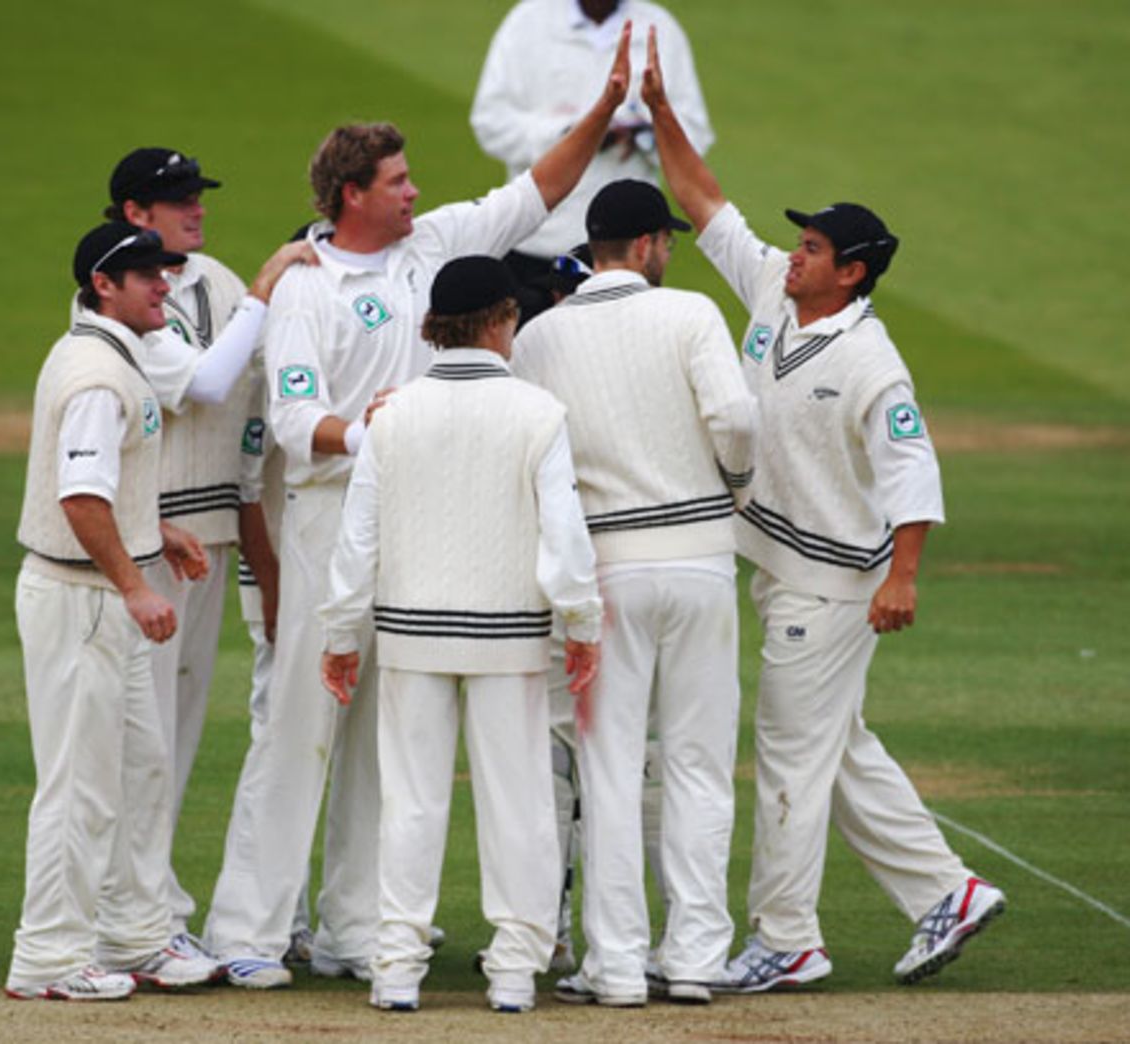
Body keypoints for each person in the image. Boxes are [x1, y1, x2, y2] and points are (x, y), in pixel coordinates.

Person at [203, 25, 635, 990]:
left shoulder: (431, 244)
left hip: (415, 520)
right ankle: (246, 929)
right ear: (351, 194)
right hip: (329, 513)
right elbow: (296, 418)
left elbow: (538, 192)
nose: (416, 192)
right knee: (305, 719)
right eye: (398, 181)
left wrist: (602, 113)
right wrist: (378, 440)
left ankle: (354, 929)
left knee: (380, 727)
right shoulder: (308, 286)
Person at [640, 32, 1006, 991]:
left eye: (812, 248)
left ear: (852, 273)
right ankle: (948, 893)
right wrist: (661, 113)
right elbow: (702, 201)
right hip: (782, 564)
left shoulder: (870, 362)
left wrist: (905, 575)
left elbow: (912, 467)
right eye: (797, 243)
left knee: (793, 756)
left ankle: (787, 937)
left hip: (837, 582)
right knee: (836, 746)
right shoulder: (771, 287)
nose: (792, 255)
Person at [319, 255, 603, 1014]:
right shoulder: (538, 412)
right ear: (504, 320)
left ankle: (397, 969)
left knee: (410, 803)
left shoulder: (393, 414)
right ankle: (513, 973)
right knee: (518, 804)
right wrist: (581, 621)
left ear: (433, 327)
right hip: (508, 639)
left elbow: (358, 541)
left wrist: (343, 636)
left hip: (412, 637)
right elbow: (565, 536)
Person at [514, 179, 757, 1006]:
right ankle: (693, 959)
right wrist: (734, 486)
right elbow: (735, 418)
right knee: (697, 764)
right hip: (700, 563)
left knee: (609, 769)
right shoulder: (691, 314)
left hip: (603, 569)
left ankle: (615, 966)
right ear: (649, 244)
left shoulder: (540, 336)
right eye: (668, 242)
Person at [101, 147, 313, 957]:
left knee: (178, 735)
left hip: (210, 540)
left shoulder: (216, 279)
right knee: (142, 739)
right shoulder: (117, 296)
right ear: (133, 214)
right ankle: (132, 919)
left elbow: (256, 405)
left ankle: (153, 912)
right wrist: (265, 294)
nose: (195, 207)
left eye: (196, 194)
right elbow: (206, 385)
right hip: (150, 544)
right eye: (176, 198)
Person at [5, 223, 220, 1000]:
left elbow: (100, 489)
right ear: (105, 286)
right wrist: (135, 581)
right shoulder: (97, 376)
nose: (165, 285)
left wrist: (153, 530)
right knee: (79, 784)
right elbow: (80, 497)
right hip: (84, 602)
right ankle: (50, 959)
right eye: (146, 276)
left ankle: (134, 934)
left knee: (141, 768)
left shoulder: (107, 358)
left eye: (164, 272)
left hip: (99, 596)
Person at [471, 0, 712, 323]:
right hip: (536, 243)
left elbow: (695, 133)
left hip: (623, 253)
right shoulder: (527, 22)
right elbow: (490, 122)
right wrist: (575, 135)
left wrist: (643, 133)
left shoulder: (660, 27)